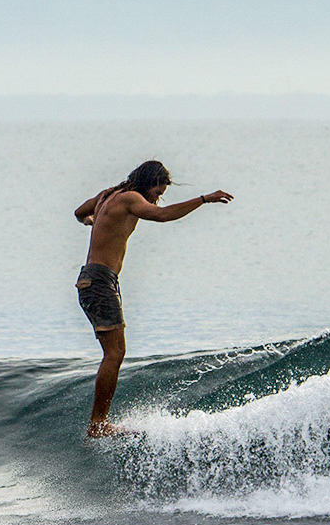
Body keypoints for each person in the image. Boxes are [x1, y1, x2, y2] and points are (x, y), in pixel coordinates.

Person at [73, 160, 233, 437]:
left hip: (91, 279)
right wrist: (204, 199)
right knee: (115, 353)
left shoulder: (107, 195)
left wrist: (94, 221)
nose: (157, 199)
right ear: (149, 184)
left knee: (114, 352)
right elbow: (162, 216)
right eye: (157, 192)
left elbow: (79, 212)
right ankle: (98, 425)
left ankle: (99, 423)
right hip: (100, 281)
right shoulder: (130, 198)